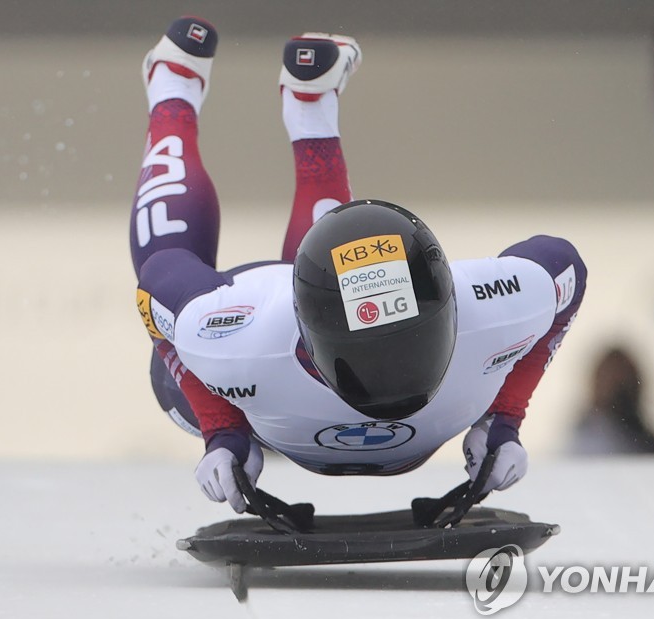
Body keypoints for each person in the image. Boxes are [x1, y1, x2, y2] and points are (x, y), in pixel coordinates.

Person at [130, 17, 587, 513]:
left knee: (178, 309)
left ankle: (300, 108)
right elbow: (159, 281)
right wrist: (222, 427)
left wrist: (505, 418)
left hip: (272, 356)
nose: (389, 379)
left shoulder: (495, 306)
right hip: (259, 320)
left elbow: (568, 270)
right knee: (170, 365)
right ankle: (175, 84)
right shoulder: (230, 336)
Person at [568, 347, 654, 456]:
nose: (620, 385)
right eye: (612, 380)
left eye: (626, 382)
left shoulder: (642, 438)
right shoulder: (587, 443)